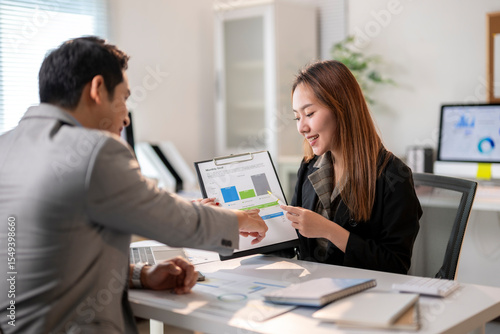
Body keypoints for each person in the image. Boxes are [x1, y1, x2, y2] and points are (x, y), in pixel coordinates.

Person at [0, 36, 267, 334]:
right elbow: (174, 221)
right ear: (97, 89)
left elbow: (47, 269)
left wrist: (142, 275)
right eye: (124, 98)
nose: (126, 118)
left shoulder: (5, 146)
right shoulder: (95, 150)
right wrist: (241, 218)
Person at [280, 60, 421, 274]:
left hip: (366, 297)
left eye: (309, 114)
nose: (301, 127)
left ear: (341, 108)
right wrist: (251, 228)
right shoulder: (310, 167)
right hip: (312, 291)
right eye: (297, 117)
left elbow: (395, 265)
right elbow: (291, 243)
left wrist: (330, 231)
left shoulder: (392, 175)